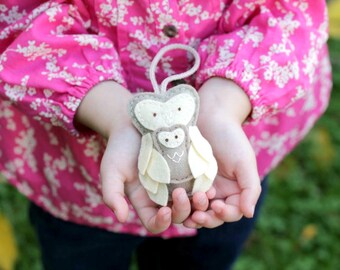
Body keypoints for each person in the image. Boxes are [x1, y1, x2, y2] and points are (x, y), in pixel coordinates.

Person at [0, 1, 331, 269]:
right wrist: (112, 112)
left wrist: (222, 105)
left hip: (225, 165)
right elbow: (17, 16)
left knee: (206, 255)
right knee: (81, 255)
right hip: (77, 183)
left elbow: (288, 12)